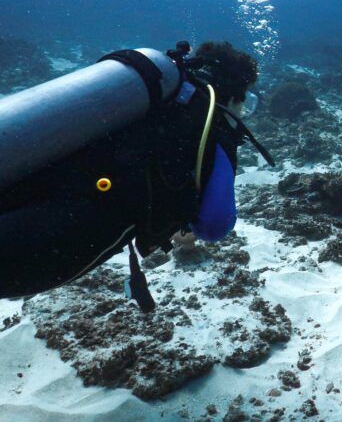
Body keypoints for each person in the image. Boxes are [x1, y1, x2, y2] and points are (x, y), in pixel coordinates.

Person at [0, 41, 271, 311]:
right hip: (61, 234)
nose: (244, 113)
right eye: (247, 102)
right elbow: (215, 226)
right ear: (235, 97)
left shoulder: (154, 99)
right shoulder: (211, 126)